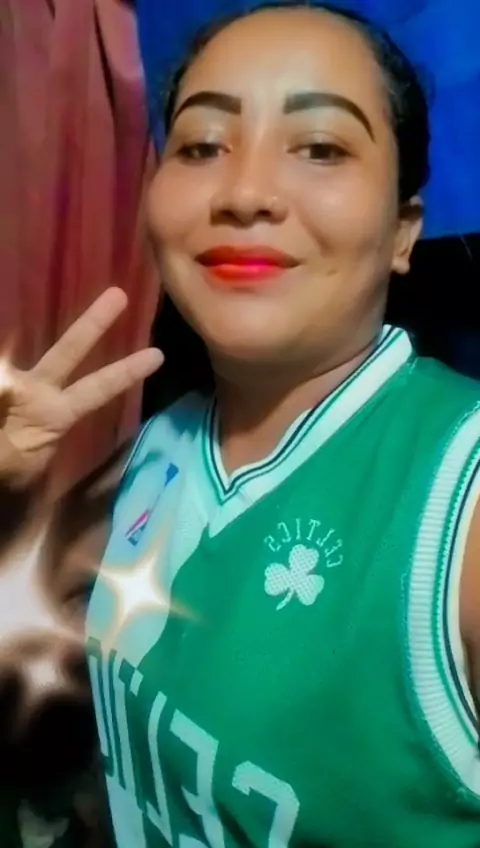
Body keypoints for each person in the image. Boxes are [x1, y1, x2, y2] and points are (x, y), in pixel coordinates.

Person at [2, 3, 480, 846]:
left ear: (403, 231)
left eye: (320, 147)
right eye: (201, 146)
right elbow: (25, 629)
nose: (246, 193)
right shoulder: (164, 444)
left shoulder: (458, 498)